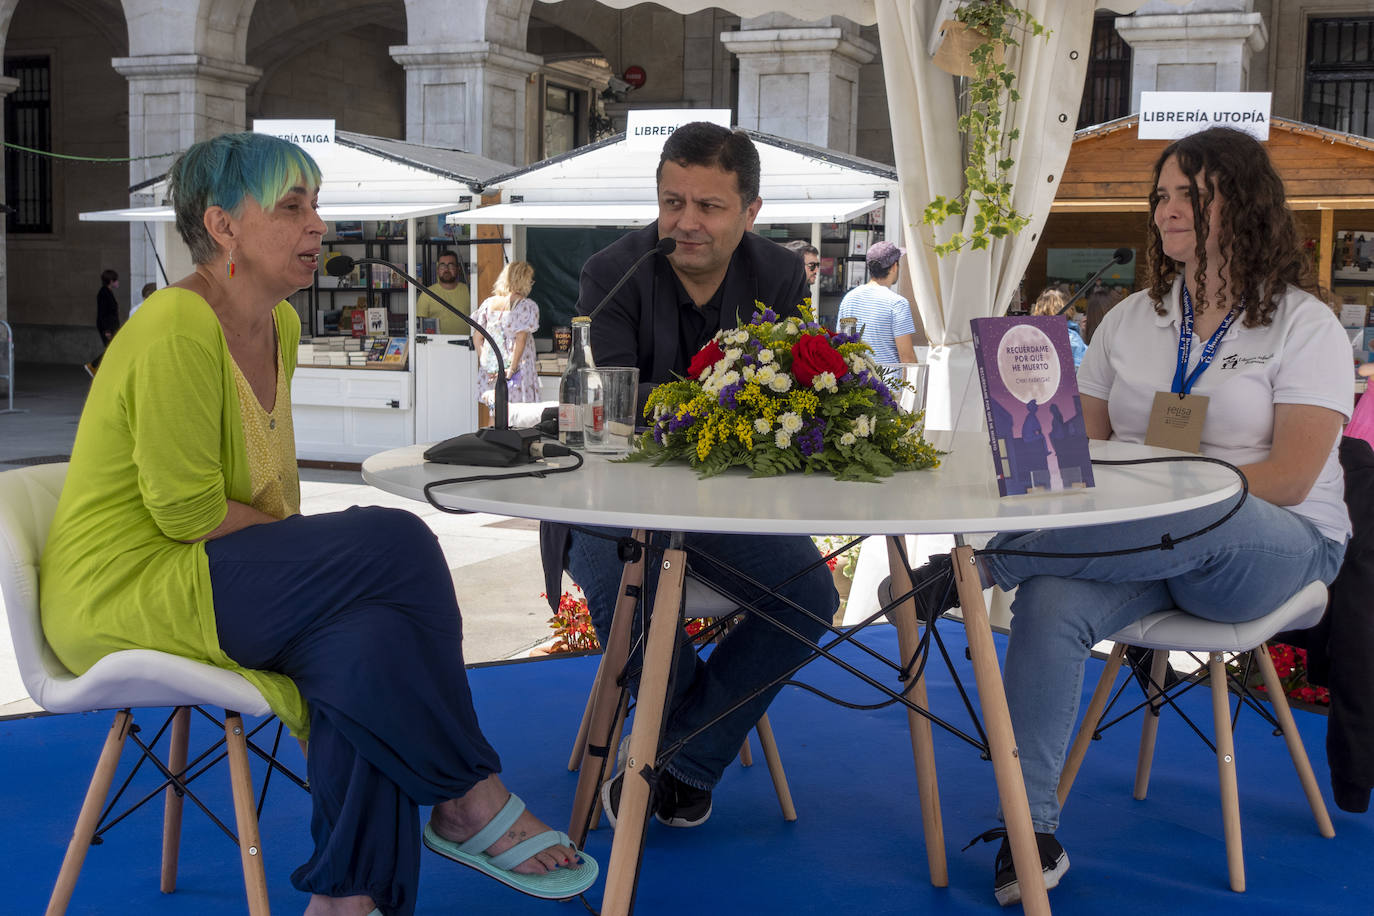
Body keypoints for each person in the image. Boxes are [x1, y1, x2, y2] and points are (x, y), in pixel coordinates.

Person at [39, 132, 596, 916]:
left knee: (366, 643)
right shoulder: (175, 324)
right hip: (131, 587)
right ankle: (470, 794)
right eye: (292, 207)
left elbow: (273, 497)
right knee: (394, 540)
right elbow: (189, 513)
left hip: (220, 571)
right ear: (224, 226)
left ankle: (345, 901)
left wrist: (310, 572)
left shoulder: (283, 328)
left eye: (317, 205)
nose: (318, 226)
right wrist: (310, 561)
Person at [911, 126, 1352, 906]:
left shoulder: (1302, 324)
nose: (1167, 210)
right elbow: (1085, 457)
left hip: (1270, 547)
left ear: (1243, 205)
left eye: (1191, 194)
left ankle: (987, 564)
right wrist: (1029, 417)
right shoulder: (1130, 320)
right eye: (1162, 195)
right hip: (1148, 549)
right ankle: (1031, 828)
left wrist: (1174, 489)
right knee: (1049, 604)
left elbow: (1286, 479)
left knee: (1205, 513)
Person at [539, 121, 836, 829]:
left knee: (810, 598)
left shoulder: (781, 274)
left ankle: (677, 759)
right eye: (673, 202)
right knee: (637, 604)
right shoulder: (614, 270)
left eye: (708, 207)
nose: (686, 222)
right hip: (609, 499)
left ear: (751, 213)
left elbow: (785, 403)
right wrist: (723, 406)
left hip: (723, 506)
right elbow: (606, 411)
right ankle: (684, 765)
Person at [836, 240, 918, 364]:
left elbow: (844, 347)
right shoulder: (897, 304)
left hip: (859, 381)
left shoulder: (849, 299)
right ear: (894, 266)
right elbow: (907, 358)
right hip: (889, 382)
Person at [472, 260, 541, 403]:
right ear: (524, 280)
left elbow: (477, 338)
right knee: (517, 416)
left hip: (493, 368)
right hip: (516, 369)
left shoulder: (488, 304)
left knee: (496, 414)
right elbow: (520, 340)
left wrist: (487, 364)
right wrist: (511, 370)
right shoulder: (526, 306)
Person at [1029, 287, 1086, 370]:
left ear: (1038, 308)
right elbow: (1081, 372)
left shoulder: (1028, 336)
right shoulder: (1072, 338)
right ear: (1069, 308)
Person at [419, 249, 470, 334]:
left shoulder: (470, 292)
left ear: (458, 269)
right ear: (437, 270)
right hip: (436, 345)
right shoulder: (427, 294)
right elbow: (419, 326)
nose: (446, 270)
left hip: (468, 345)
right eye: (442, 266)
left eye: (451, 266)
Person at [84, 268, 121, 376]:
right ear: (111, 281)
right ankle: (94, 366)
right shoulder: (104, 293)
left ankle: (97, 367)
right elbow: (104, 313)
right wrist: (107, 330)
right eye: (116, 280)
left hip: (111, 325)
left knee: (112, 349)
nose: (118, 282)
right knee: (112, 349)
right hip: (108, 327)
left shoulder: (107, 292)